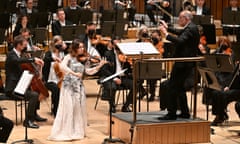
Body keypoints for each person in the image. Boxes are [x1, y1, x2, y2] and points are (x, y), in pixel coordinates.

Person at [48, 39, 106, 141]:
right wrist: (74, 73)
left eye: (83, 47)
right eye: (80, 47)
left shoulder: (82, 59)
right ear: (75, 48)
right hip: (68, 87)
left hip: (78, 87)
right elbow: (62, 67)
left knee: (77, 109)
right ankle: (67, 131)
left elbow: (87, 71)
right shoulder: (68, 57)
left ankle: (77, 130)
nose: (82, 49)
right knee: (69, 108)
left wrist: (99, 66)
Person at [158, 10, 200, 120]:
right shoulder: (191, 27)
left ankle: (171, 113)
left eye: (180, 17)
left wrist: (166, 34)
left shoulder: (190, 28)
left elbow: (180, 41)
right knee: (180, 88)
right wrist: (168, 28)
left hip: (183, 64)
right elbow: (179, 33)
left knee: (172, 86)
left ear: (186, 19)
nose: (178, 19)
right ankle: (185, 112)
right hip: (185, 63)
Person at [5, 35, 46, 128]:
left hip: (20, 86)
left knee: (36, 91)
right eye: (24, 45)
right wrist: (33, 59)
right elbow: (18, 61)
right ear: (18, 46)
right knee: (34, 95)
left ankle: (33, 115)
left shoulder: (19, 55)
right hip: (12, 89)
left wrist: (38, 68)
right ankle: (28, 121)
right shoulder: (11, 55)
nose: (26, 48)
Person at [100, 37, 133, 112]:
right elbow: (104, 70)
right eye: (116, 45)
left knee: (135, 85)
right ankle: (112, 106)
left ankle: (126, 105)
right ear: (112, 45)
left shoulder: (125, 54)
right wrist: (114, 78)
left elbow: (128, 69)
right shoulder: (108, 54)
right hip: (111, 77)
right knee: (112, 87)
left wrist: (130, 63)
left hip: (123, 77)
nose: (118, 47)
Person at [42, 35, 67, 117]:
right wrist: (54, 59)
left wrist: (65, 49)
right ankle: (56, 111)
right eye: (58, 44)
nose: (59, 45)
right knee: (56, 89)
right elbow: (46, 59)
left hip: (60, 78)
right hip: (49, 79)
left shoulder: (63, 53)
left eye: (61, 43)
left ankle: (64, 109)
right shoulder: (49, 53)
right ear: (54, 43)